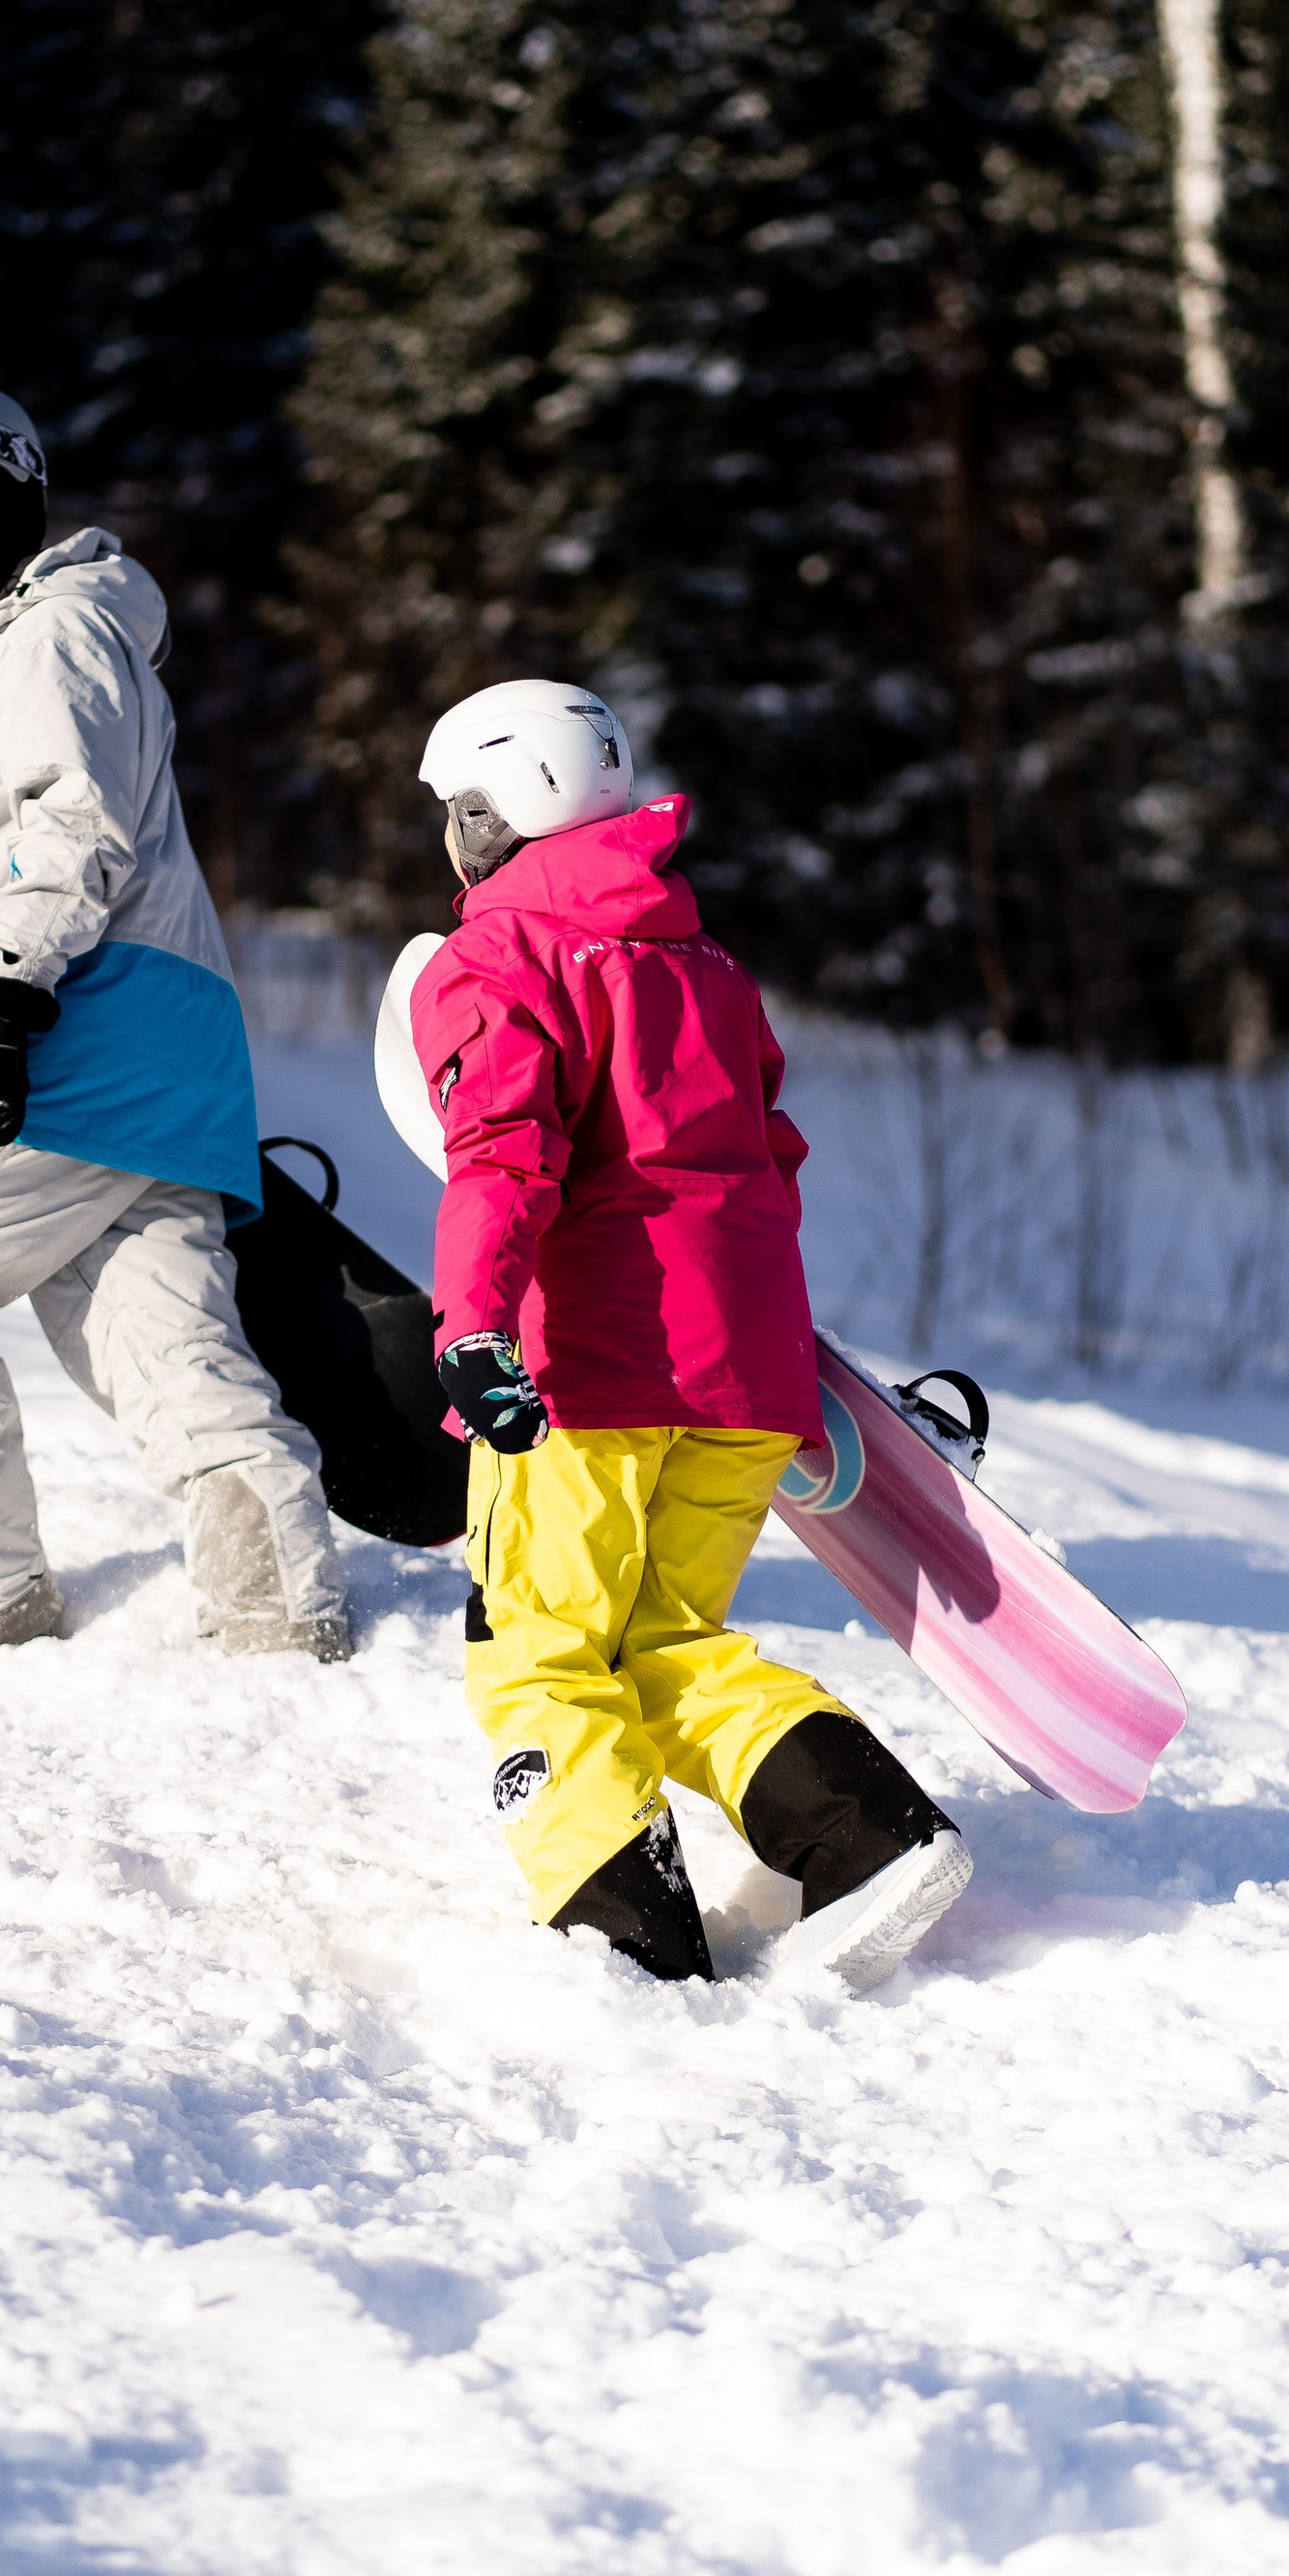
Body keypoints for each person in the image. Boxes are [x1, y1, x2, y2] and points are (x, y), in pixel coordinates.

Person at [407, 678, 973, 1991]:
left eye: (456, 812)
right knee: (657, 1644)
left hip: (583, 1375)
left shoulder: (496, 959)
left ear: (497, 812)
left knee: (541, 1649)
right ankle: (867, 1840)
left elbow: (500, 1159)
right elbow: (762, 1162)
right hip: (740, 1378)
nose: (450, 841)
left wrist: (473, 1330)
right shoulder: (705, 964)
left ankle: (627, 1941)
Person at [0, 383, 351, 1684]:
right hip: (176, 1042)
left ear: (17, 511)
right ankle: (277, 1604)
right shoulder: (77, 632)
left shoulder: (50, 638)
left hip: (84, 1018)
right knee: (151, 1331)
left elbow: (70, 825)